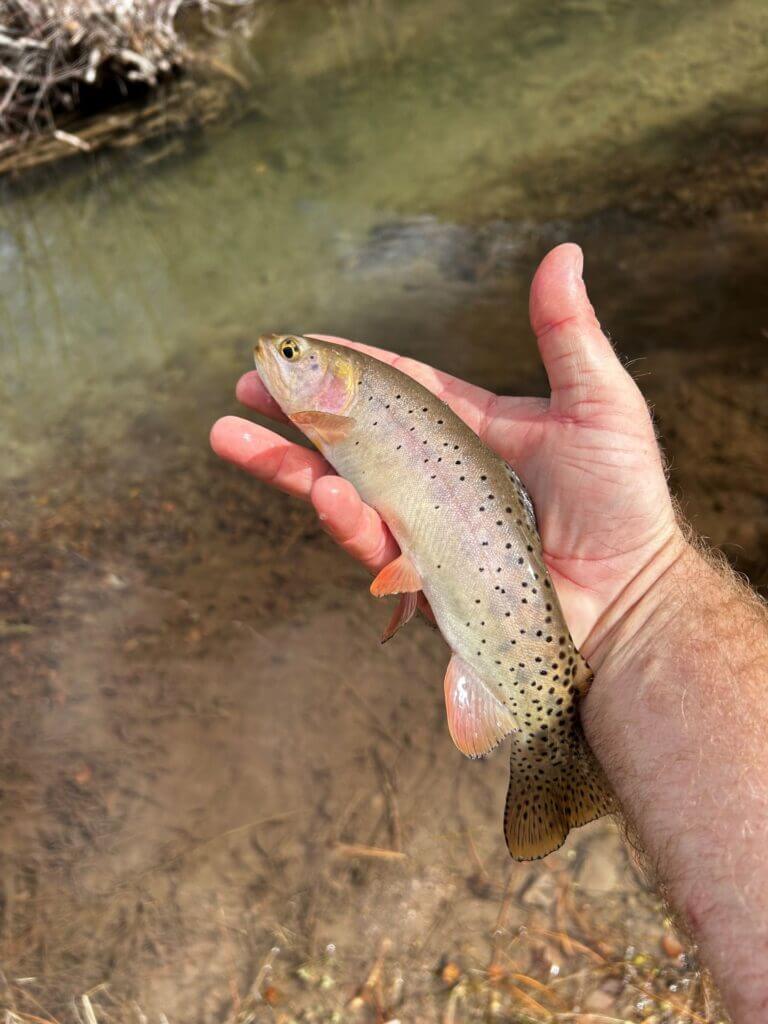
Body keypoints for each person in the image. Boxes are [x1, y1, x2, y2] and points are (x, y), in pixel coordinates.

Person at [210, 243, 768, 1024]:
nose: (278, 356)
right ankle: (558, 748)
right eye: (291, 355)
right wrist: (647, 599)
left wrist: (646, 591)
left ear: (337, 382)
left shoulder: (358, 405)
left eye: (295, 356)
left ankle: (551, 747)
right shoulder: (349, 407)